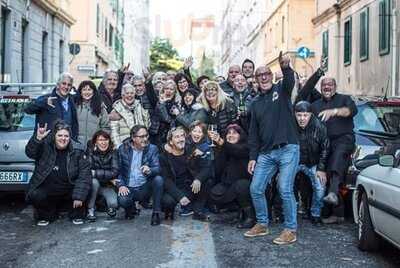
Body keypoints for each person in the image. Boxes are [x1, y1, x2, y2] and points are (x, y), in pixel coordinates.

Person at [245, 52, 299, 245]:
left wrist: (285, 67)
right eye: (260, 75)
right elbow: (253, 135)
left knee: (284, 188)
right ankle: (262, 224)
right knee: (256, 188)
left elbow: (290, 81)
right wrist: (253, 157)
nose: (264, 77)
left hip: (288, 149)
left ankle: (290, 229)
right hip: (266, 153)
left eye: (267, 73)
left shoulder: (281, 90)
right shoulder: (255, 103)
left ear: (272, 75)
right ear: (256, 80)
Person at [25, 121, 91, 226]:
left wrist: (79, 196)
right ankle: (46, 215)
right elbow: (30, 153)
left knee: (84, 190)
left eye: (66, 136)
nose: (63, 138)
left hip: (69, 189)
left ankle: (76, 213)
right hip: (48, 190)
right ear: (54, 136)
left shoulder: (78, 150)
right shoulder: (45, 146)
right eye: (60, 135)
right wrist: (37, 139)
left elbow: (84, 175)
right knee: (35, 194)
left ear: (70, 138)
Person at [311, 77, 358, 224]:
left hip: (344, 140)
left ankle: (332, 193)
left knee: (337, 158)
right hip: (325, 144)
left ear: (335, 87)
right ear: (321, 87)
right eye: (324, 85)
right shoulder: (315, 105)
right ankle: (338, 213)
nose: (327, 87)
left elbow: (349, 111)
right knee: (326, 174)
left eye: (330, 84)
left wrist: (334, 111)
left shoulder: (345, 99)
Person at [160, 126, 212, 221]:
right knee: (167, 202)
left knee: (207, 180)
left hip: (189, 186)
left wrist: (198, 179)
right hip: (174, 187)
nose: (180, 139)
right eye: (177, 137)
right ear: (171, 142)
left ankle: (198, 210)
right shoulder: (165, 156)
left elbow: (206, 168)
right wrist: (180, 196)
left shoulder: (191, 151)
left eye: (182, 136)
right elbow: (166, 180)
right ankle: (174, 209)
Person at [116, 125, 164, 226]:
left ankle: (156, 213)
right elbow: (117, 170)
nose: (145, 139)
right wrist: (121, 185)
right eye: (141, 137)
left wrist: (150, 170)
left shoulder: (152, 149)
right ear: (133, 138)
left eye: (146, 136)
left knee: (158, 180)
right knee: (123, 200)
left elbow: (158, 168)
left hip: (143, 187)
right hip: (129, 186)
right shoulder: (122, 149)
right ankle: (130, 208)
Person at [209, 124, 254, 228]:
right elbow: (218, 169)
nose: (231, 135)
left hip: (246, 184)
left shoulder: (246, 147)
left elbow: (236, 151)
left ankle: (250, 216)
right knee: (214, 193)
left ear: (240, 135)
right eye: (228, 133)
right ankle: (238, 209)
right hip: (229, 184)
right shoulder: (225, 149)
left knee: (241, 186)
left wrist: (222, 142)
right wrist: (219, 150)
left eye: (234, 133)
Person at [294, 101, 329, 225]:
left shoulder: (319, 127)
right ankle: (286, 213)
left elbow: (325, 148)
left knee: (320, 187)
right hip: (294, 162)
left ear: (310, 115)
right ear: (294, 115)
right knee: (281, 183)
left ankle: (315, 214)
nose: (302, 118)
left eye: (305, 115)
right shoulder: (289, 126)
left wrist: (321, 168)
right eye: (299, 115)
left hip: (312, 162)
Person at [25, 72, 79, 140]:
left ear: (71, 87)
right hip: (48, 145)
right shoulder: (46, 98)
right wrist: (44, 102)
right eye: (64, 83)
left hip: (66, 144)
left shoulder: (72, 100)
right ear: (58, 85)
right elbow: (28, 109)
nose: (66, 87)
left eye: (69, 85)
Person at [86, 130, 119, 222]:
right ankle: (90, 209)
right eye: (100, 140)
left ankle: (105, 205)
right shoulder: (90, 151)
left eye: (106, 139)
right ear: (95, 142)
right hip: (94, 185)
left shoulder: (113, 152)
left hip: (107, 185)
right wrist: (108, 176)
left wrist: (96, 173)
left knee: (114, 204)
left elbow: (115, 172)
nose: (103, 142)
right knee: (94, 182)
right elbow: (88, 171)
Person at [75, 80, 110, 149]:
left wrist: (100, 142)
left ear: (93, 92)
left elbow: (106, 127)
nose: (87, 92)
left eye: (89, 90)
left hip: (94, 146)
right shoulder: (75, 106)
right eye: (84, 90)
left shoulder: (100, 108)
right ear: (80, 92)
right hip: (77, 146)